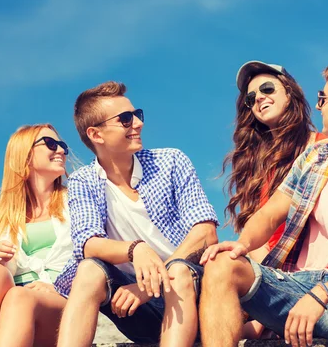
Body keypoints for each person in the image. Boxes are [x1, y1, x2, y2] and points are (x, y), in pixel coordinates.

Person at [199, 60, 328, 347]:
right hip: (294, 286)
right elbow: (271, 213)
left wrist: (321, 293)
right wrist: (243, 244)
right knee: (223, 262)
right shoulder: (317, 156)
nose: (319, 105)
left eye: (324, 98)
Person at [56, 81, 219, 347]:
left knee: (179, 273)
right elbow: (88, 244)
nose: (138, 123)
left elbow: (205, 232)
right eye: (125, 119)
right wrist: (135, 249)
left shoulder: (171, 161)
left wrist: (151, 284)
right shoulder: (82, 181)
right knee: (88, 270)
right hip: (133, 305)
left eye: (137, 115)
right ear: (96, 135)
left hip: (191, 294)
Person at [226, 61, 325, 338]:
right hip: (270, 272)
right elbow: (251, 225)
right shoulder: (253, 164)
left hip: (315, 272)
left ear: (289, 93)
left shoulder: (324, 146)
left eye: (267, 88)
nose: (258, 98)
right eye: (250, 97)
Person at [0, 124, 73, 347]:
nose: (60, 150)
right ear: (25, 155)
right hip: (14, 307)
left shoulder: (76, 200)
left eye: (62, 145)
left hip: (60, 303)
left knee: (19, 297)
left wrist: (58, 286)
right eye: (50, 144)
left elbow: (90, 257)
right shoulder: (4, 213)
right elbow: (6, 273)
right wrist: (2, 260)